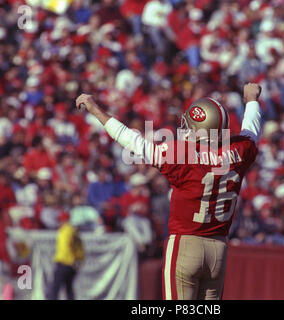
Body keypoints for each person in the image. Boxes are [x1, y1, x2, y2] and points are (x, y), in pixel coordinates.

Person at [75, 82, 262, 300]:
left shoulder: (182, 154)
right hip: (218, 249)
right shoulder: (239, 150)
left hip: (185, 244)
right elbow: (251, 130)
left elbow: (132, 141)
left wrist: (95, 109)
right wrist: (252, 100)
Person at [48, 212, 85, 300]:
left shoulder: (64, 231)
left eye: (60, 220)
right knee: (69, 288)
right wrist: (79, 260)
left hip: (64, 262)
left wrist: (64, 260)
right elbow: (79, 248)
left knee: (55, 287)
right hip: (73, 264)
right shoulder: (74, 231)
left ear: (64, 220)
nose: (58, 222)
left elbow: (65, 248)